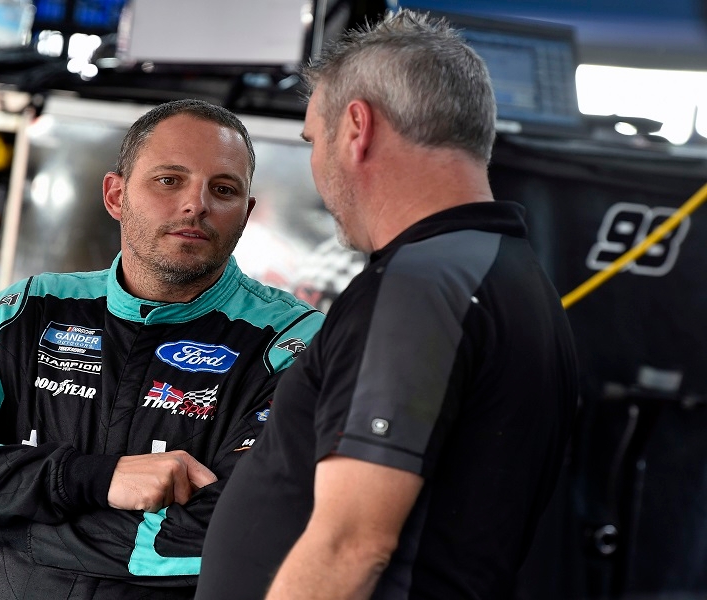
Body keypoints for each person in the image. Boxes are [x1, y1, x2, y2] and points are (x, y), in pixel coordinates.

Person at [0, 99, 325, 600]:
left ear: (246, 214)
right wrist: (92, 479)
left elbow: (243, 533)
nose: (196, 204)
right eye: (169, 180)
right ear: (115, 195)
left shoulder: (296, 342)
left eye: (223, 189)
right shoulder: (28, 311)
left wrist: (8, 513)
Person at [196, 10, 579, 600]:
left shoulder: (422, 284)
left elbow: (351, 546)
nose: (316, 166)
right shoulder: (507, 272)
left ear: (357, 128)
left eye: (313, 141)